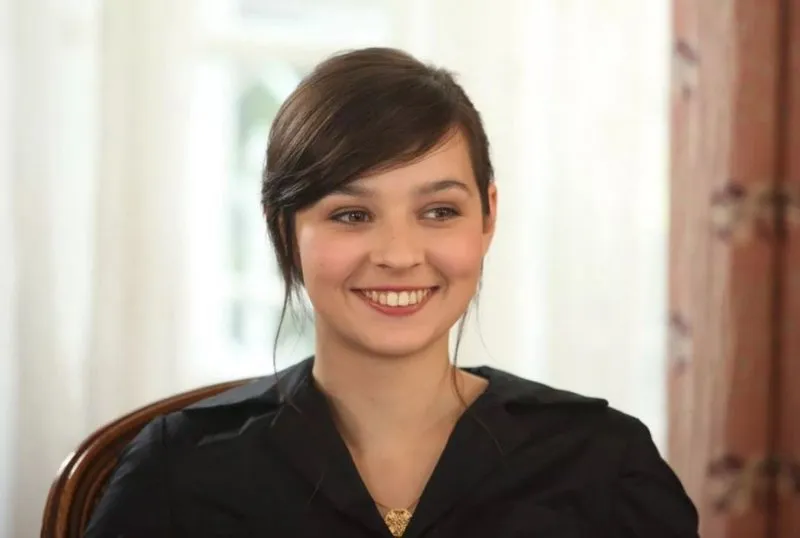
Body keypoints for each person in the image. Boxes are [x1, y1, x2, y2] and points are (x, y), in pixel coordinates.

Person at [84, 47, 699, 538]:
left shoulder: (604, 462)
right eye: (352, 215)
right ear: (283, 231)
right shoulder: (179, 469)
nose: (400, 256)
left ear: (488, 216)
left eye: (438, 211)